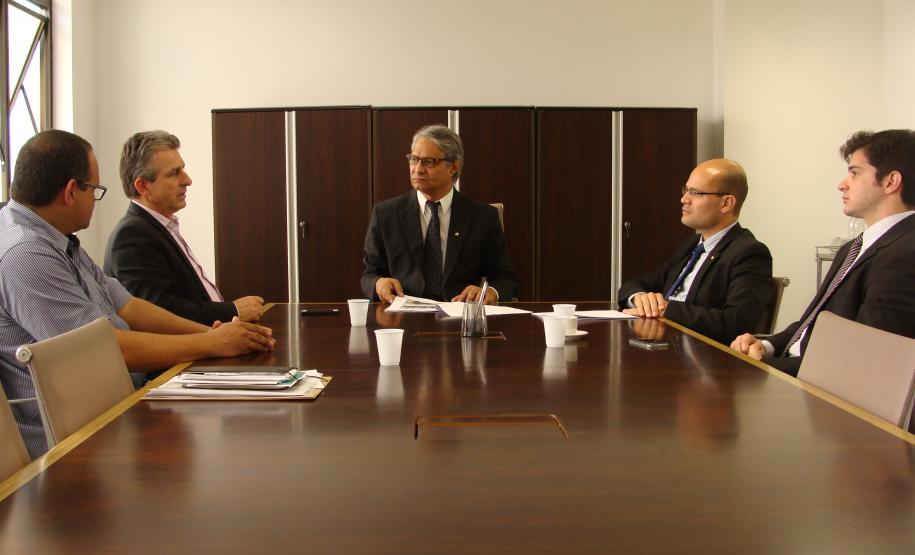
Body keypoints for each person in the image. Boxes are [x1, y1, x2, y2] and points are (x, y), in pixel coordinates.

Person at [0, 130, 276, 458]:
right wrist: (211, 343)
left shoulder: (57, 239)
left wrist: (211, 334)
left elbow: (127, 304)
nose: (95, 199)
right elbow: (100, 351)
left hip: (112, 413)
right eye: (95, 190)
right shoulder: (26, 252)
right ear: (72, 191)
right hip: (73, 446)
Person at [732, 129, 915, 376]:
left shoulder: (904, 254)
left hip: (827, 396)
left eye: (854, 173)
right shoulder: (853, 248)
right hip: (797, 374)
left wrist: (761, 368)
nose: (842, 184)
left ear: (891, 182)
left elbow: (865, 360)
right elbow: (810, 324)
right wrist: (765, 346)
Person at [104, 131, 264, 325]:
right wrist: (233, 310)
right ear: (143, 186)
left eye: (183, 170)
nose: (187, 180)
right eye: (174, 173)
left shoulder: (158, 226)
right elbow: (160, 312)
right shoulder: (131, 236)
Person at [618, 159, 773, 344]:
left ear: (726, 203)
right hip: (663, 341)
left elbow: (736, 322)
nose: (684, 199)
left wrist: (665, 309)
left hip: (704, 359)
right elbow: (636, 283)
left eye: (696, 193)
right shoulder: (691, 245)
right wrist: (641, 298)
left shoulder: (749, 253)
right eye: (686, 190)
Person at [361, 124, 519, 304]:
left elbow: (506, 279)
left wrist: (490, 292)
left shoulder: (483, 217)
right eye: (414, 159)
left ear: (453, 166)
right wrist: (378, 283)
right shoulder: (385, 214)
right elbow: (369, 275)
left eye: (429, 162)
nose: (417, 169)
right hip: (404, 319)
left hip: (460, 318)